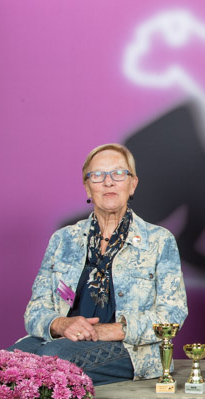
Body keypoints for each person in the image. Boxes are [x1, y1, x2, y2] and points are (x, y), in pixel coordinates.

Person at [11, 144, 188, 385]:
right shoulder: (63, 240)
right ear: (87, 187)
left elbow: (172, 313)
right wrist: (62, 324)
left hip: (130, 348)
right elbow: (35, 310)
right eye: (98, 175)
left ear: (132, 184)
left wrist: (109, 330)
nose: (108, 182)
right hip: (64, 339)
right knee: (6, 363)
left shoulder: (159, 241)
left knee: (55, 358)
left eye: (118, 173)